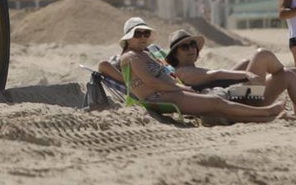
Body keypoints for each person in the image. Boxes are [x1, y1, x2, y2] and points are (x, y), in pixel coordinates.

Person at [114, 17, 286, 124]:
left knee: (215, 105)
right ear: (128, 39)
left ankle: (266, 116)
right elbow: (151, 82)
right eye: (138, 34)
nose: (143, 37)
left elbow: (165, 78)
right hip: (158, 97)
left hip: (170, 92)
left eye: (145, 34)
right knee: (215, 103)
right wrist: (181, 88)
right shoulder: (130, 57)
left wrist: (180, 87)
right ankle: (267, 111)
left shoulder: (144, 54)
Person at [165, 28, 296, 123]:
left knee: (286, 75)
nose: (191, 49)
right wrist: (246, 74)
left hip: (240, 97)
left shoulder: (195, 70)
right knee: (262, 55)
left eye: (192, 45)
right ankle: (285, 70)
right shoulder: (182, 71)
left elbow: (215, 79)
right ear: (175, 55)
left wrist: (243, 70)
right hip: (234, 100)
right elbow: (215, 73)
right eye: (184, 47)